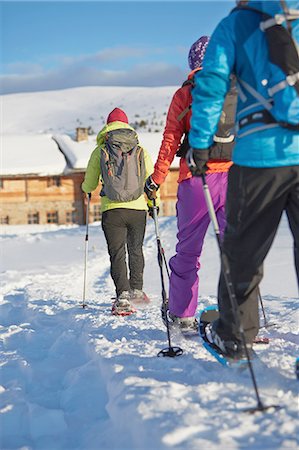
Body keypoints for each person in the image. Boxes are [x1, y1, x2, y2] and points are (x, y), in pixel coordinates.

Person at [187, 1, 299, 357]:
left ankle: (234, 338)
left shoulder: (234, 25)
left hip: (257, 157)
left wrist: (201, 145)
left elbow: (212, 85)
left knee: (243, 252)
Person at [144, 36, 233, 334]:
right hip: (234, 178)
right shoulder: (236, 89)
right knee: (236, 248)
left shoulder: (185, 95)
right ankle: (241, 317)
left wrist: (156, 179)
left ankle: (182, 314)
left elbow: (170, 140)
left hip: (196, 181)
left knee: (188, 252)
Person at [82, 108, 158, 315]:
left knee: (117, 253)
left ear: (108, 126)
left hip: (112, 210)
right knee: (135, 249)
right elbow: (151, 179)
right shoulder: (141, 150)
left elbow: (89, 182)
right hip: (137, 209)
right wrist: (153, 204)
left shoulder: (100, 150)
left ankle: (122, 297)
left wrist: (87, 190)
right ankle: (137, 291)